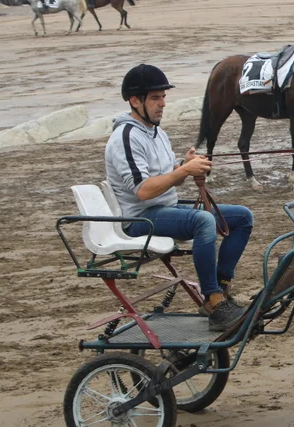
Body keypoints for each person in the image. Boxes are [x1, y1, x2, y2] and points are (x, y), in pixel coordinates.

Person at [105, 64, 254, 331]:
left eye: (163, 97)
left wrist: (184, 166)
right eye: (155, 98)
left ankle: (221, 288)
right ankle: (213, 300)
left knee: (242, 217)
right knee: (204, 221)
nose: (162, 104)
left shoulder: (157, 132)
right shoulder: (126, 137)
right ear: (135, 101)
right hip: (139, 219)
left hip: (163, 209)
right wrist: (184, 170)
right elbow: (143, 190)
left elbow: (168, 177)